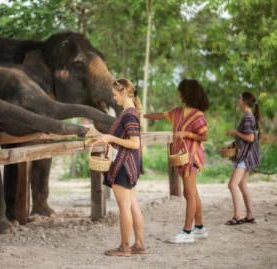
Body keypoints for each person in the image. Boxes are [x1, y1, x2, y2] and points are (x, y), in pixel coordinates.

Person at [143, 79, 209, 243]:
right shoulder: (178, 111)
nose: (179, 94)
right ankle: (199, 228)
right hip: (183, 156)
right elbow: (161, 115)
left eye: (181, 91)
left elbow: (204, 136)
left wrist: (186, 134)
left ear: (188, 93)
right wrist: (142, 115)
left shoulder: (198, 115)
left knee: (188, 193)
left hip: (192, 156)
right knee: (193, 191)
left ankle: (187, 232)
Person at [97, 78, 146, 257]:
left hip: (123, 165)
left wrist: (110, 139)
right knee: (132, 205)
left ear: (123, 93)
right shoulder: (130, 112)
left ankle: (124, 248)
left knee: (125, 207)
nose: (114, 98)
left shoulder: (129, 114)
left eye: (116, 94)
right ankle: (140, 245)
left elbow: (134, 143)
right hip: (129, 165)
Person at [223, 92, 260, 225]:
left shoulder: (248, 117)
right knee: (242, 185)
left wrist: (234, 132)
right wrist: (232, 143)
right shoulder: (248, 117)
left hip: (245, 156)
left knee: (232, 185)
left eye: (239, 98)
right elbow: (245, 138)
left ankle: (237, 216)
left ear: (244, 101)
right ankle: (249, 215)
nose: (238, 100)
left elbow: (250, 138)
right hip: (247, 155)